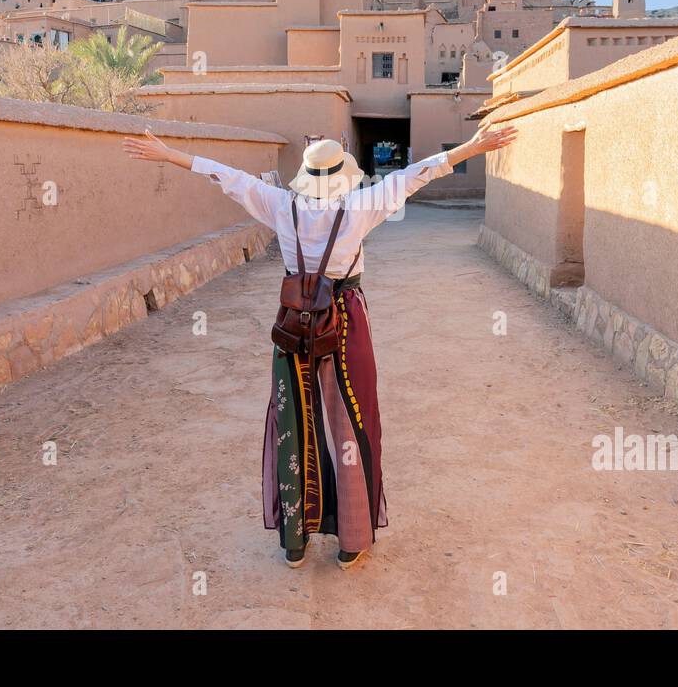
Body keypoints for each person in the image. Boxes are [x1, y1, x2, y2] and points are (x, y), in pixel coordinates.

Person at [122, 123, 518, 569]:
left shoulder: (279, 204)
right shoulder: (360, 205)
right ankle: (351, 539)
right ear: (343, 174)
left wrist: (168, 153)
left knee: (294, 418)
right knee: (352, 422)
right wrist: (474, 146)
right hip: (343, 320)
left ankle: (296, 540)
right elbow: (417, 173)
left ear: (306, 174)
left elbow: (225, 176)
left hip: (294, 325)